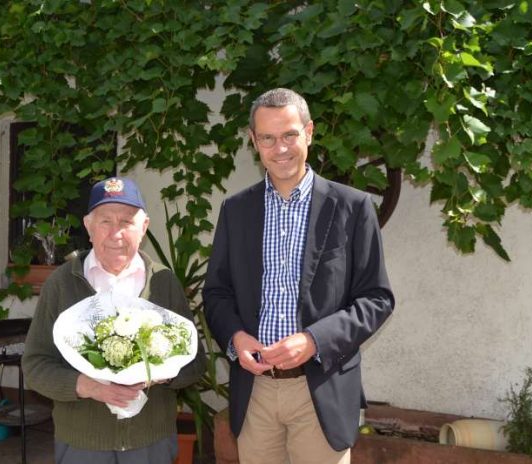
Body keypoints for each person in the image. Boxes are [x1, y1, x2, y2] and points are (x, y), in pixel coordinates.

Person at [203, 88, 395, 464]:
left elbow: (377, 298)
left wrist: (314, 340)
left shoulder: (353, 208)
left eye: (290, 134)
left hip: (320, 391)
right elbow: (217, 293)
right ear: (254, 142)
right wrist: (235, 336)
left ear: (309, 132)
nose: (281, 148)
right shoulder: (236, 210)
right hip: (255, 390)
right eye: (268, 138)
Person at [23, 176, 206, 464]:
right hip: (82, 443)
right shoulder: (62, 283)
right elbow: (35, 366)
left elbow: (195, 362)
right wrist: (88, 386)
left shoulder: (164, 282)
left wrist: (164, 371)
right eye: (105, 221)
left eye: (126, 222)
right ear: (88, 227)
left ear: (143, 227)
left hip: (151, 442)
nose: (116, 233)